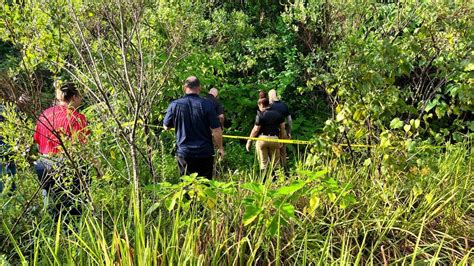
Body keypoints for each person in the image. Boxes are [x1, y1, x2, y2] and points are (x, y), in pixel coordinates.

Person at [33, 82, 89, 221]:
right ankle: (73, 234)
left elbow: (37, 141)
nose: (81, 100)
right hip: (65, 166)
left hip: (43, 165)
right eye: (80, 97)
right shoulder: (77, 118)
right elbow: (83, 148)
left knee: (53, 208)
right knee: (73, 207)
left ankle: (54, 234)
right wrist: (99, 169)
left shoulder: (45, 114)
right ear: (74, 97)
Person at [163, 76, 224, 179]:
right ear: (199, 88)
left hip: (184, 153)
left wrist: (179, 122)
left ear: (184, 87)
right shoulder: (207, 105)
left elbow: (166, 126)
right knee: (205, 187)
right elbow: (216, 130)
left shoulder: (175, 105)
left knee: (187, 187)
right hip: (205, 153)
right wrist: (220, 147)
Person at [246, 97, 286, 171]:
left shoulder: (260, 115)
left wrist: (249, 141)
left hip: (262, 139)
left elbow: (256, 130)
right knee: (276, 163)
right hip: (274, 139)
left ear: (261, 105)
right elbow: (283, 129)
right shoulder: (279, 114)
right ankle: (277, 181)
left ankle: (264, 181)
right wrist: (282, 140)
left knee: (263, 163)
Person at [268, 89, 292, 169]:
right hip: (283, 131)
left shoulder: (270, 106)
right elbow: (289, 120)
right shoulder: (284, 105)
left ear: (270, 96)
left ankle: (276, 173)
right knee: (283, 153)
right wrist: (289, 132)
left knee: (274, 154)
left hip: (274, 132)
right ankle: (285, 171)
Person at [0, 105, 16, 193]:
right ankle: (11, 192)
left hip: (7, 141)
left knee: (10, 167)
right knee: (10, 167)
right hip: (8, 141)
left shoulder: (4, 108)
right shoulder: (4, 108)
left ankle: (9, 192)